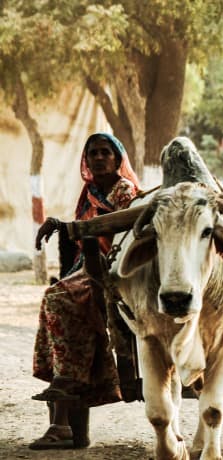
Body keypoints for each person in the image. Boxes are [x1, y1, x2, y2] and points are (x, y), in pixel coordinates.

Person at [28, 133, 140, 450]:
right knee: (57, 301)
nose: (99, 158)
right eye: (93, 153)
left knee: (59, 299)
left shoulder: (124, 191)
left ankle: (62, 416)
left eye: (106, 152)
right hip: (89, 268)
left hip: (119, 268)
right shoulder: (91, 193)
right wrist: (61, 226)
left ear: (118, 159)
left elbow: (118, 232)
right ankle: (63, 415)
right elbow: (83, 232)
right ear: (86, 160)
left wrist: (69, 228)